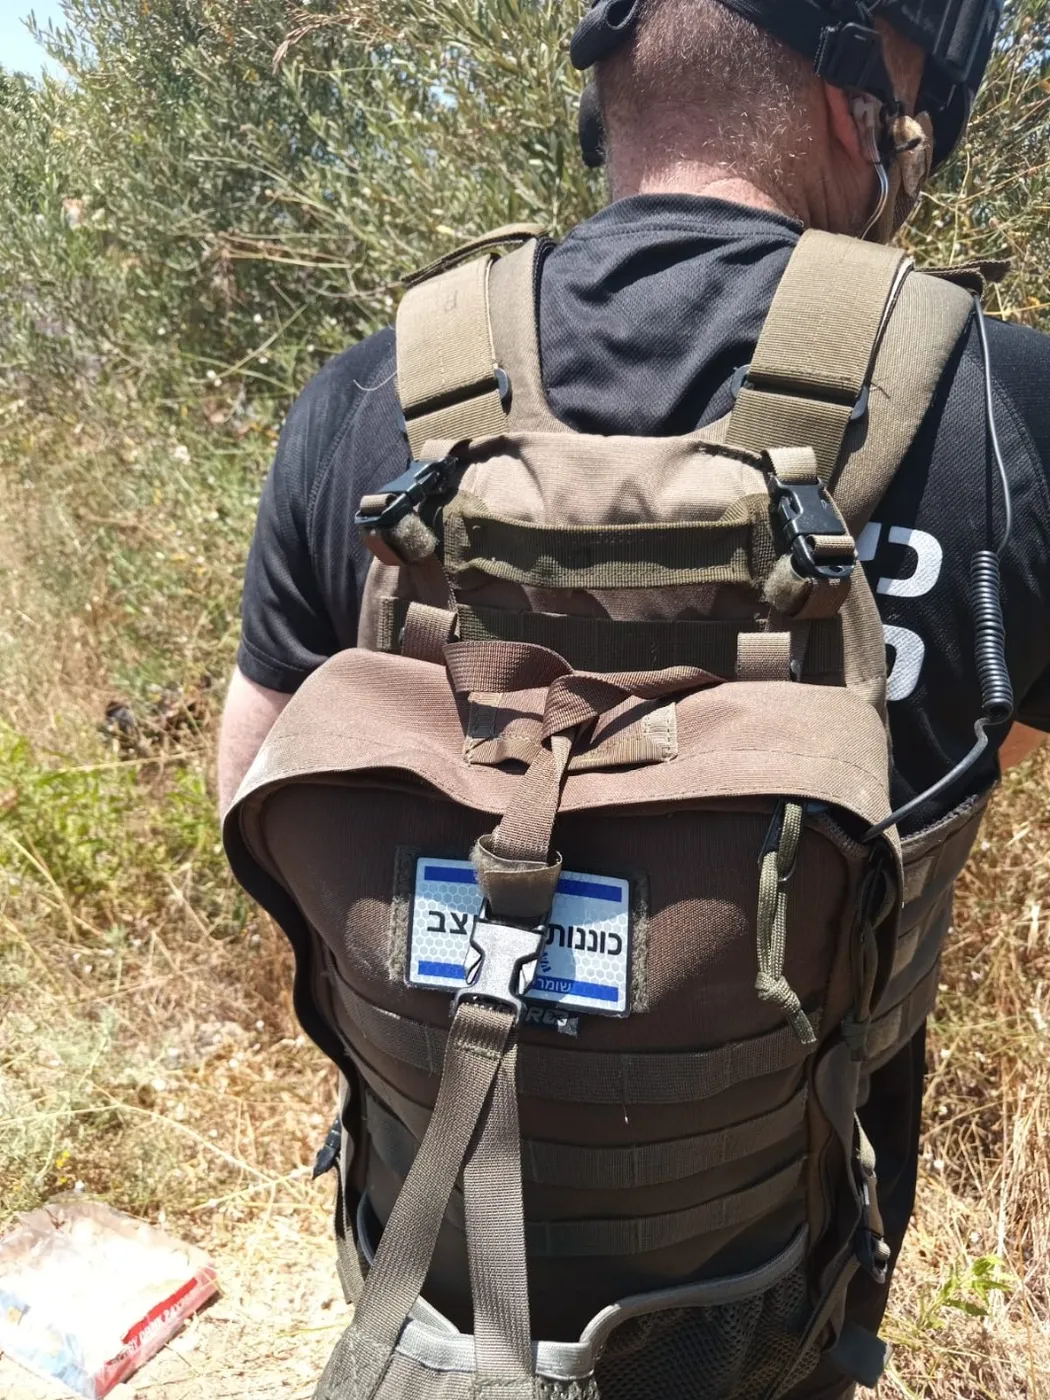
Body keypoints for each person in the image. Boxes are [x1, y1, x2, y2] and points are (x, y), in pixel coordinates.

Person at [219, 2, 1049, 1395]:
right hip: (768, 1297)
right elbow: (984, 745)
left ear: (606, 89)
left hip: (426, 1278)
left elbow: (252, 783)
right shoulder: (1001, 404)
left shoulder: (370, 393)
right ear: (859, 105)